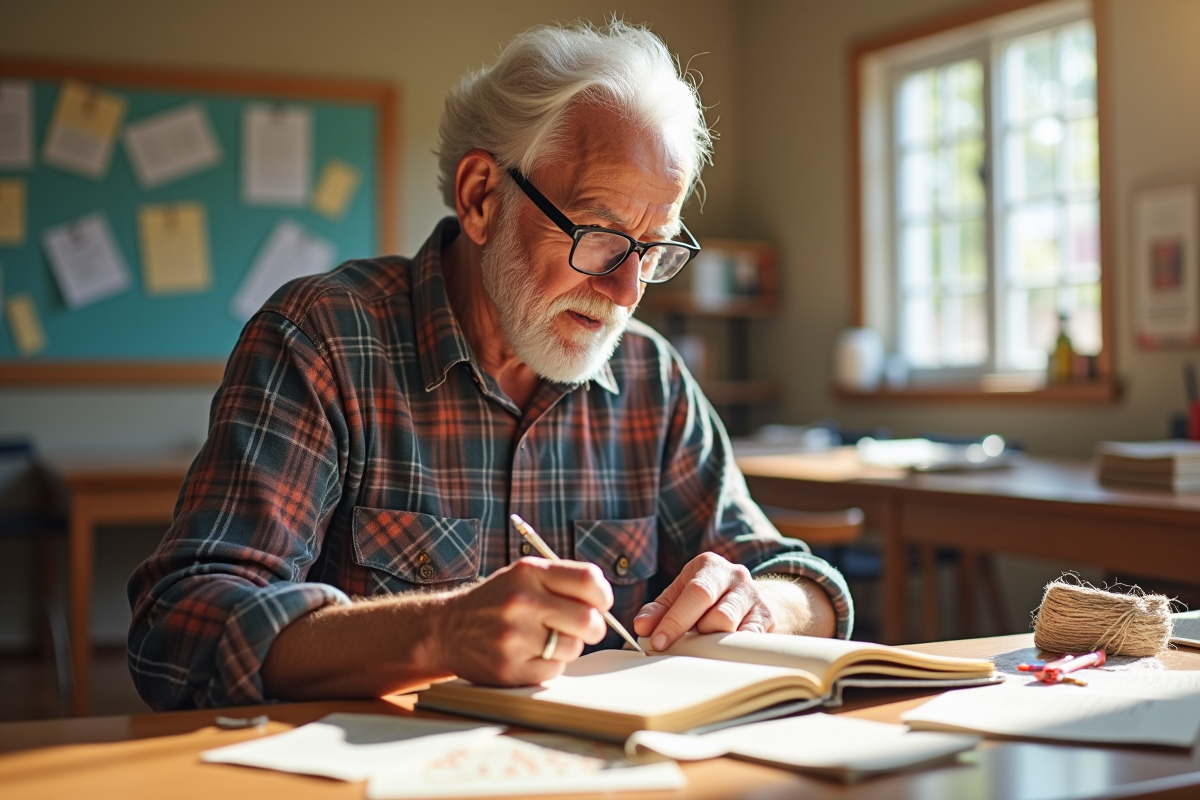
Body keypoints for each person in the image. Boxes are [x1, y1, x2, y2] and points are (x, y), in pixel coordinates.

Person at [127, 19, 853, 711]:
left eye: (653, 250)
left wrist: (762, 604)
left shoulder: (649, 380)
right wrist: (438, 633)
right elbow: (180, 628)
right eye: (600, 236)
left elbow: (804, 582)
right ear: (481, 199)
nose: (628, 292)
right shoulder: (323, 340)